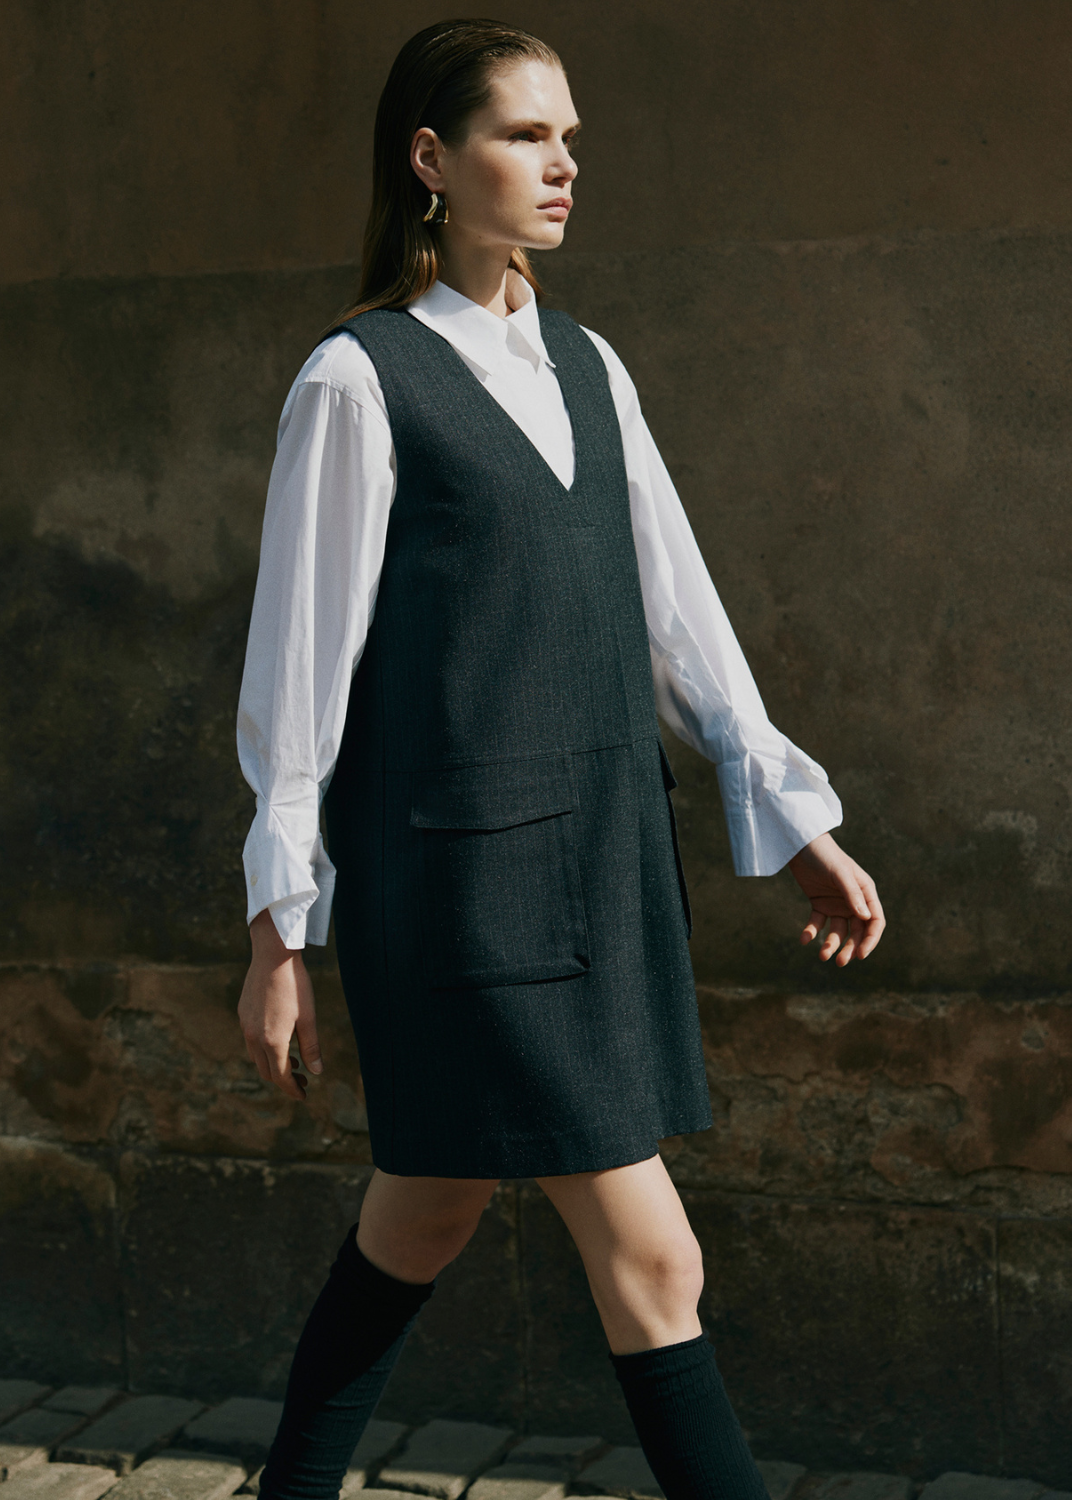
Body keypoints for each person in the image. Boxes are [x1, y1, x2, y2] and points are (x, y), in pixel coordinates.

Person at [235, 19, 885, 1500]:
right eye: (525, 134)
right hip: (463, 894)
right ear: (430, 159)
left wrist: (791, 815)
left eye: (569, 135)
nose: (563, 162)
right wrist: (279, 931)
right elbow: (297, 678)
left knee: (426, 1214)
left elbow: (676, 618)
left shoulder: (592, 365)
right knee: (655, 1257)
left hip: (603, 862)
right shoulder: (357, 381)